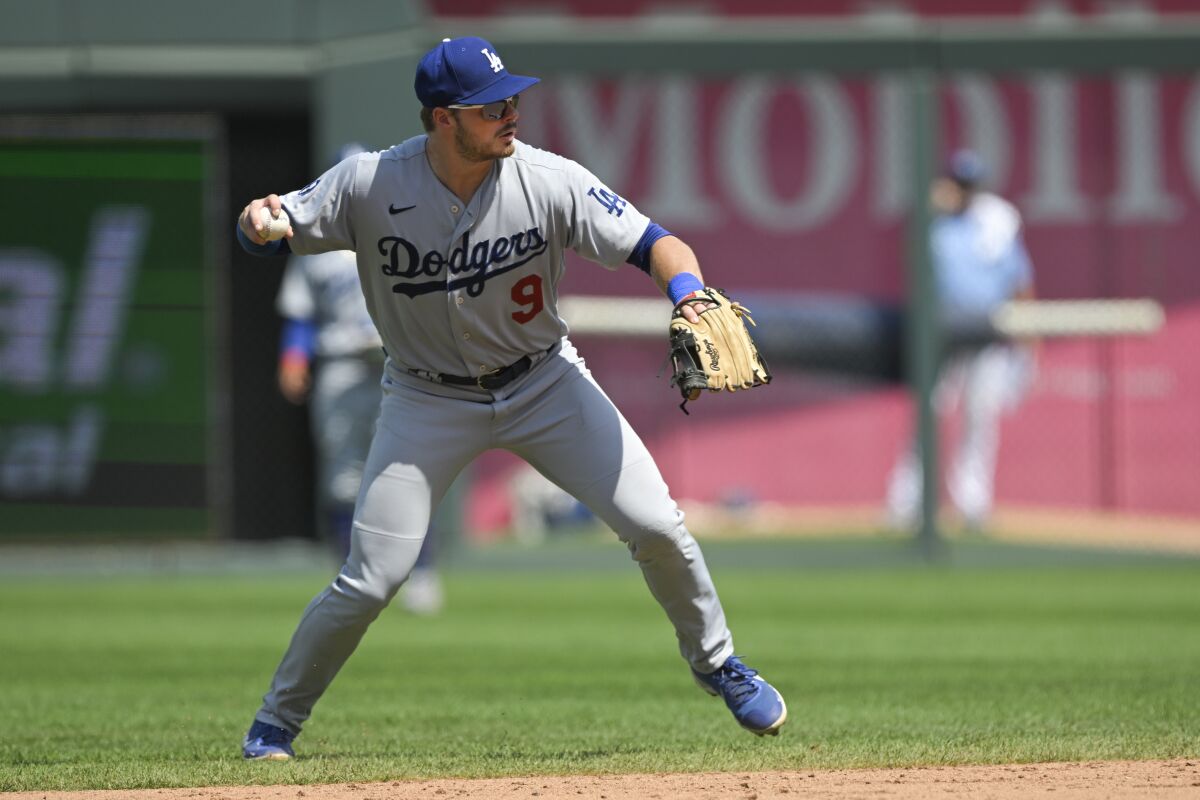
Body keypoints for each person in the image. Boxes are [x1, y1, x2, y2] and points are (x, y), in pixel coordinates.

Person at [235, 36, 786, 760]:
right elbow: (274, 229)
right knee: (370, 581)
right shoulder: (367, 183)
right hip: (426, 398)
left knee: (658, 527)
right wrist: (258, 223)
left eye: (513, 98)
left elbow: (659, 243)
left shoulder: (548, 179)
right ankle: (275, 724)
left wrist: (687, 293)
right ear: (443, 119)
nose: (511, 113)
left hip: (545, 382)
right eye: (491, 105)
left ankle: (719, 665)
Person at [274, 146, 444, 615]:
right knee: (344, 475)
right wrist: (293, 356)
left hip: (399, 361)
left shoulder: (399, 223)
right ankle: (349, 574)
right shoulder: (313, 238)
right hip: (342, 363)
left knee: (411, 469)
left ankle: (422, 571)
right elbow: (301, 312)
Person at [885, 150, 1037, 533]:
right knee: (927, 418)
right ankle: (906, 504)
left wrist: (1027, 341)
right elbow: (914, 265)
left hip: (986, 333)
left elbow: (1019, 281)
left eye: (970, 185)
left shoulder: (995, 224)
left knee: (979, 420)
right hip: (941, 335)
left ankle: (973, 506)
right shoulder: (933, 223)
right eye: (959, 182)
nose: (964, 191)